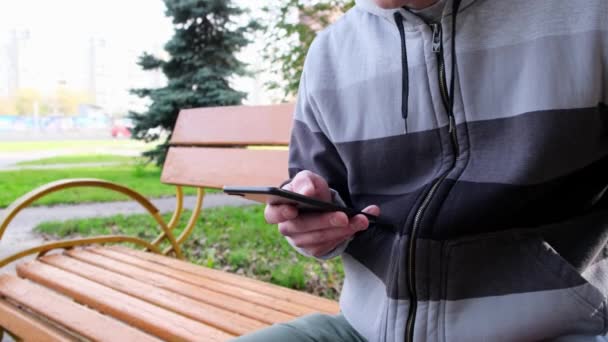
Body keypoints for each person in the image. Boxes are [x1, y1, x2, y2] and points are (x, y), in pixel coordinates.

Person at [236, 0, 608, 341]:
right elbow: (318, 195)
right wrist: (314, 225)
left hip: (558, 330)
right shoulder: (329, 55)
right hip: (366, 330)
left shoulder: (589, 16)